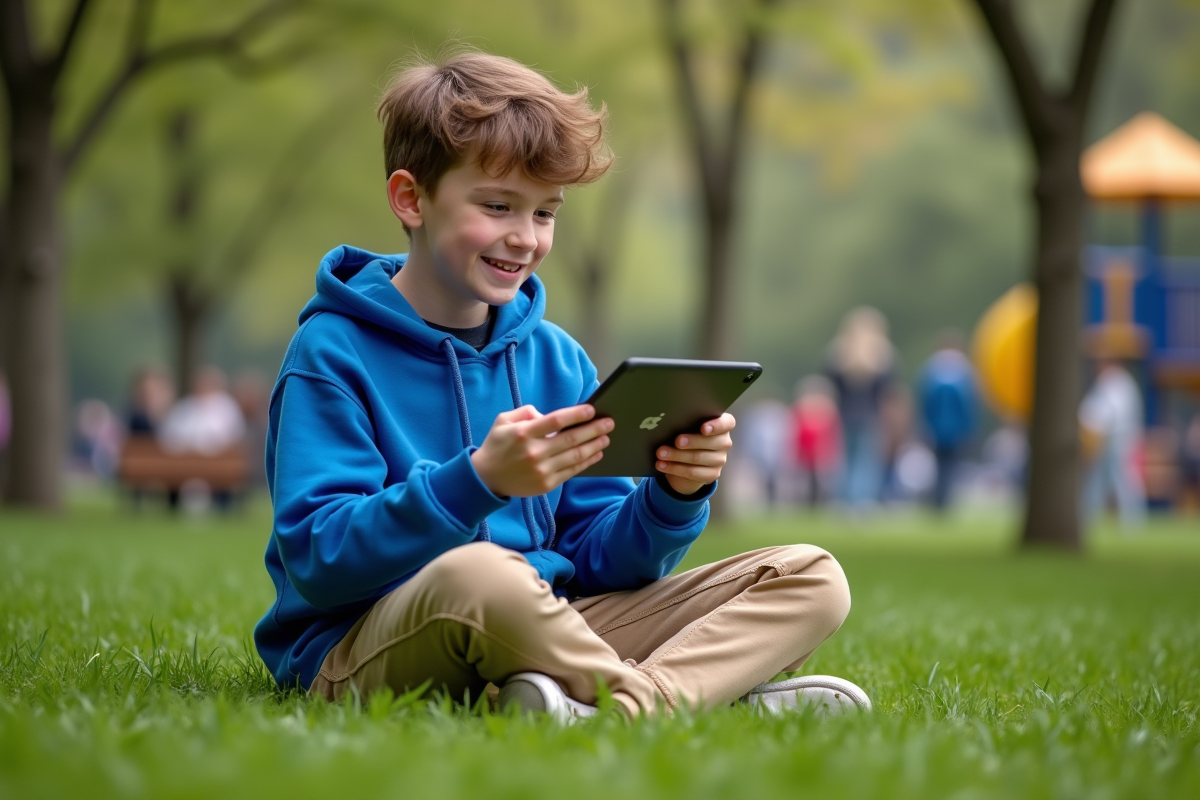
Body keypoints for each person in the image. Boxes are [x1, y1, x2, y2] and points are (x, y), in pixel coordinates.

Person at [253, 50, 868, 721]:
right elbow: (321, 558)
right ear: (411, 198)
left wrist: (672, 496)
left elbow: (601, 560)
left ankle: (583, 699)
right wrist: (480, 480)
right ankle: (670, 701)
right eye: (497, 205)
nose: (524, 238)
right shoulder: (331, 352)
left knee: (810, 577)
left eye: (545, 213)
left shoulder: (556, 358)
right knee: (481, 574)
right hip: (365, 648)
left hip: (554, 624)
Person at [825, 307, 894, 512]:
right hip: (869, 415)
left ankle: (844, 501)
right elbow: (887, 389)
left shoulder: (838, 353)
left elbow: (829, 384)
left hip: (844, 413)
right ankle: (862, 501)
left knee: (845, 460)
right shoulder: (882, 355)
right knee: (866, 461)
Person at [916, 333, 978, 513]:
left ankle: (938, 499)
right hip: (957, 429)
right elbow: (969, 405)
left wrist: (924, 425)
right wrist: (970, 429)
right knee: (950, 467)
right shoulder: (964, 373)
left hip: (935, 428)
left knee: (939, 466)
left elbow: (925, 402)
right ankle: (944, 500)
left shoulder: (930, 371)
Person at [1079, 361, 1145, 529]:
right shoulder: (1117, 382)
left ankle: (1132, 522)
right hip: (1110, 441)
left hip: (1116, 442)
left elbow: (1103, 414)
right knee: (1098, 482)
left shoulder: (1114, 382)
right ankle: (1087, 519)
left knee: (1121, 481)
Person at [791, 375, 841, 509]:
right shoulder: (809, 409)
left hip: (817, 453)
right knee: (808, 481)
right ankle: (809, 504)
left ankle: (816, 504)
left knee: (818, 481)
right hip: (809, 453)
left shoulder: (825, 410)